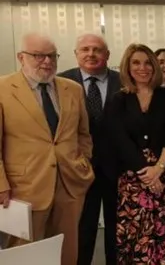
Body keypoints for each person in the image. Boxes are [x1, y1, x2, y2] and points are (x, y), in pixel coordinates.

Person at [0, 33, 95, 265]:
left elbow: (83, 133)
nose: (47, 61)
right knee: (24, 255)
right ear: (21, 57)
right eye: (38, 56)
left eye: (52, 56)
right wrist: (1, 185)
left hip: (70, 184)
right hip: (23, 189)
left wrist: (83, 164)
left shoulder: (72, 89)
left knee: (66, 251)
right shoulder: (3, 88)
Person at [105, 43, 165, 263]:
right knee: (137, 236)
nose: (143, 68)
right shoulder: (118, 100)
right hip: (133, 178)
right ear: (127, 67)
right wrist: (147, 175)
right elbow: (120, 141)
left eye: (148, 63)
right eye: (136, 63)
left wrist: (158, 169)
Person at [59, 33, 121, 265]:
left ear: (107, 55)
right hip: (78, 170)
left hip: (119, 169)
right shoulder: (60, 82)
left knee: (118, 230)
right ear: (76, 54)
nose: (91, 54)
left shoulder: (125, 80)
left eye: (97, 49)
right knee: (82, 230)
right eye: (85, 49)